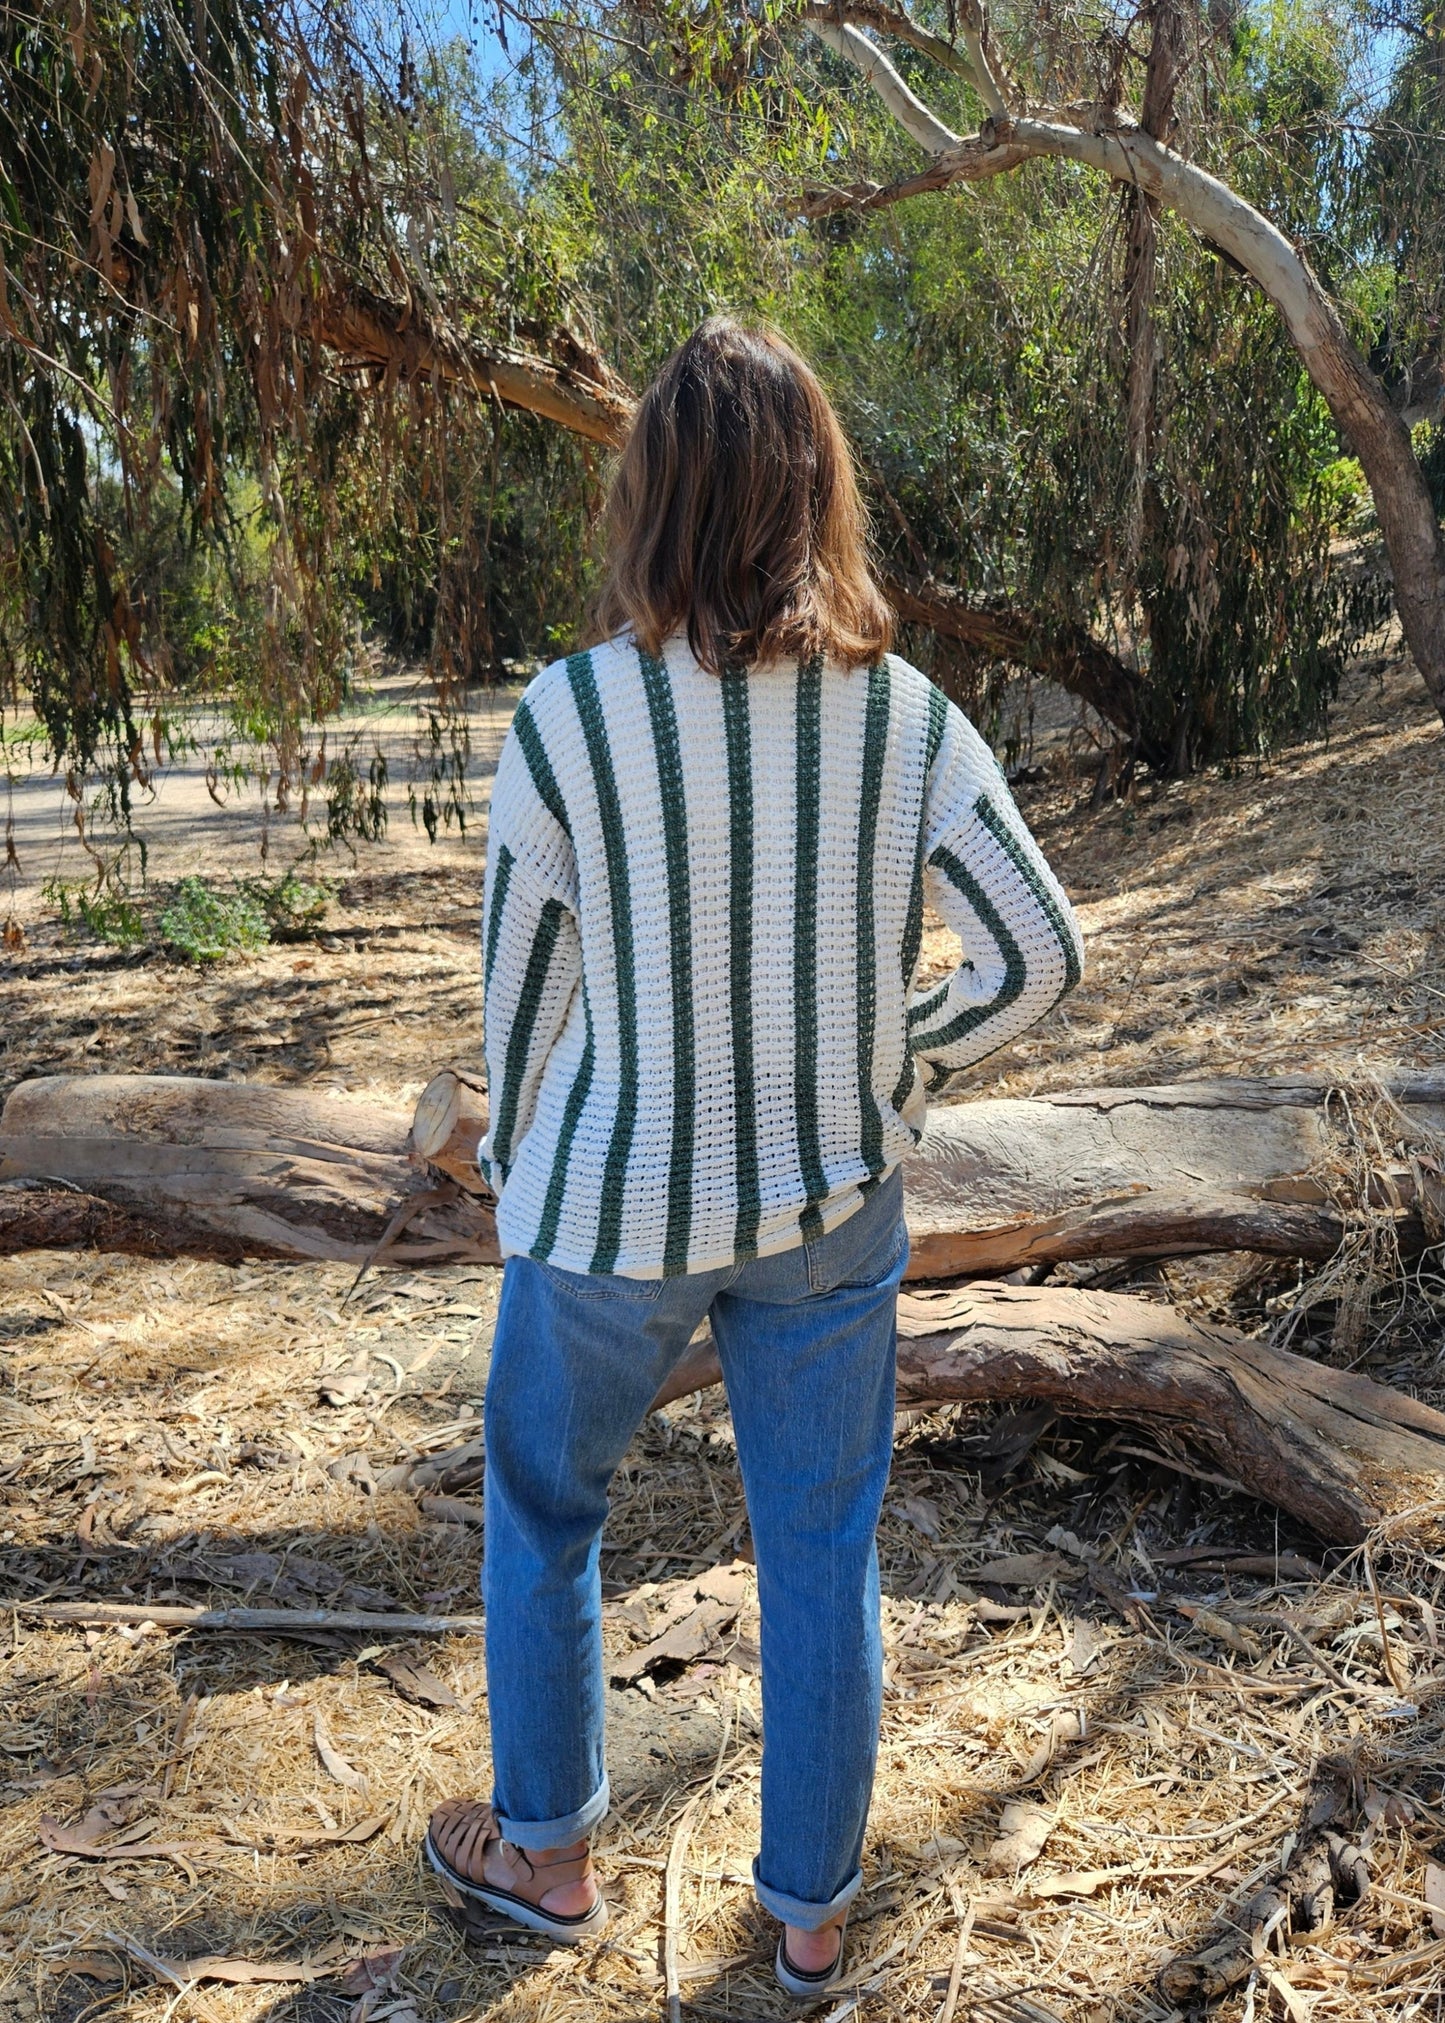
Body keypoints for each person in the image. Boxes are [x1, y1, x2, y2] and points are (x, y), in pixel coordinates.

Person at [425, 315, 1084, 1998]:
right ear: (816, 495)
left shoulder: (566, 720)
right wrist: (899, 1065)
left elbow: (519, 1013)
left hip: (604, 1218)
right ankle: (807, 1918)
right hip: (828, 1204)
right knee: (818, 1542)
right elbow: (1039, 955)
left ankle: (548, 1856)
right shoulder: (906, 716)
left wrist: (513, 1144)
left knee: (546, 1509)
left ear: (648, 498)